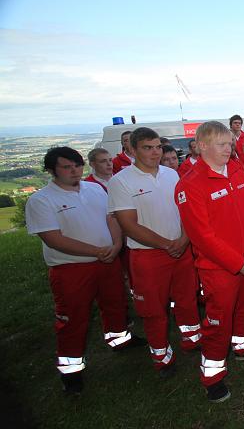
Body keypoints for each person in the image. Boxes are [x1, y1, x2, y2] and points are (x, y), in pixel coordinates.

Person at [26, 147, 143, 393]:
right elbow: (53, 238)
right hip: (71, 268)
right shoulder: (41, 199)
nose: (74, 171)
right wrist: (96, 251)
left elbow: (112, 219)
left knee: (115, 303)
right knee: (73, 318)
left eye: (77, 166)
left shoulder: (95, 189)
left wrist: (116, 244)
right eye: (67, 167)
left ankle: (119, 339)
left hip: (107, 260)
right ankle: (71, 369)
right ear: (51, 170)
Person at [174, 121, 244, 403]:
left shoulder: (238, 170)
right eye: (222, 144)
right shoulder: (189, 185)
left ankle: (243, 345)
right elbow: (201, 236)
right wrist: (237, 261)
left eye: (230, 143)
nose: (229, 149)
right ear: (202, 146)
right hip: (219, 269)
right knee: (218, 321)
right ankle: (212, 375)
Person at [107, 127, 201, 374]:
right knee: (153, 309)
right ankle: (162, 357)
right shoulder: (121, 181)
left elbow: (187, 210)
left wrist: (183, 239)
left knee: (187, 299)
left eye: (158, 146)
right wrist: (167, 244)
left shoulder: (172, 174)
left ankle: (192, 340)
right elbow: (128, 224)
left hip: (181, 249)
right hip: (149, 255)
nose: (155, 152)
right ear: (132, 150)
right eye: (148, 147)